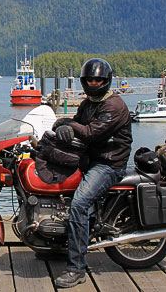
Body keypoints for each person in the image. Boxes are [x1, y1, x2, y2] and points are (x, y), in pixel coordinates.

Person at [52, 58, 133, 288]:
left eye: (98, 79)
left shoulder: (114, 105)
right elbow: (78, 125)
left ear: (106, 81)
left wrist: (64, 122)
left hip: (108, 165)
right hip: (89, 159)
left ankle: (76, 269)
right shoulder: (88, 103)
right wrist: (64, 128)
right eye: (90, 79)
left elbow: (90, 133)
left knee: (79, 204)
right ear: (84, 80)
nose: (94, 82)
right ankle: (52, 244)